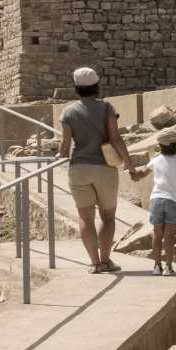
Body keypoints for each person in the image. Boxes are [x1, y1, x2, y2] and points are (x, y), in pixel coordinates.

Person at [58, 67, 135, 274]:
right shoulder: (106, 108)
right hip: (104, 169)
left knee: (85, 218)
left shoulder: (68, 112)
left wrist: (60, 155)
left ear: (76, 88)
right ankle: (106, 260)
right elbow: (115, 138)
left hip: (79, 169)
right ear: (97, 86)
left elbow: (65, 146)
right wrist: (129, 163)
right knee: (108, 217)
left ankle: (94, 263)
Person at [131, 127, 176, 276]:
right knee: (169, 236)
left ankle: (156, 266)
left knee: (157, 234)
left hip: (156, 200)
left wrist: (134, 174)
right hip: (173, 201)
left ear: (161, 146)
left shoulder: (155, 160)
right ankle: (168, 267)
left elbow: (141, 174)